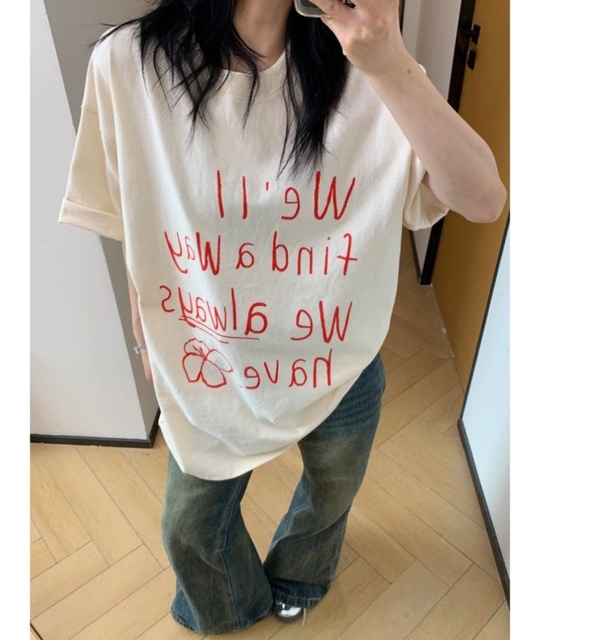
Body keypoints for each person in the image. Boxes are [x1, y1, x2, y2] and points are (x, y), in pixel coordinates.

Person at [59, 0, 506, 634]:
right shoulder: (128, 62)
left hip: (338, 362)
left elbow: (483, 199)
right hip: (209, 363)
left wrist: (391, 65)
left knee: (331, 490)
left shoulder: (372, 70)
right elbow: (138, 214)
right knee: (189, 526)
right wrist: (144, 328)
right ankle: (234, 605)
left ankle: (301, 572)